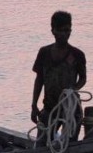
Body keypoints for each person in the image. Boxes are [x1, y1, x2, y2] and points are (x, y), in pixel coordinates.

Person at [31, 11, 87, 143]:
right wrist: (34, 105)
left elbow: (83, 78)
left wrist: (73, 89)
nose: (64, 34)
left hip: (71, 108)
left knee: (70, 144)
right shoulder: (44, 52)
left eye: (67, 30)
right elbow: (39, 80)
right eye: (60, 30)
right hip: (49, 107)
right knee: (42, 144)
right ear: (53, 31)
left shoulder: (77, 54)